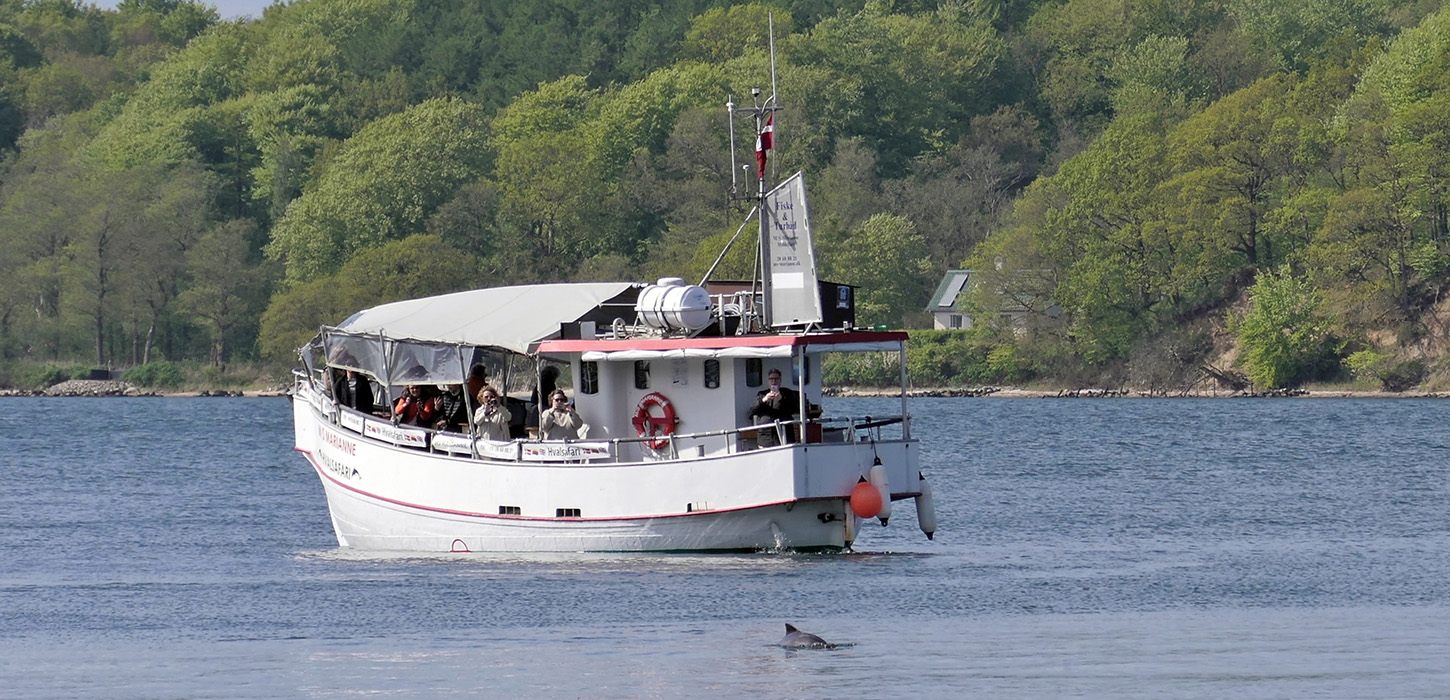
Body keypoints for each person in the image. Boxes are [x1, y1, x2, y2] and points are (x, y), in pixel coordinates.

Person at [747, 368, 807, 446]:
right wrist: (764, 400)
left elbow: (796, 409)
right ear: (768, 381)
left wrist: (781, 400)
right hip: (766, 437)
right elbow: (752, 411)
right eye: (771, 379)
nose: (774, 381)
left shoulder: (787, 393)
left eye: (776, 379)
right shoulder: (761, 394)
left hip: (785, 436)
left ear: (780, 380)